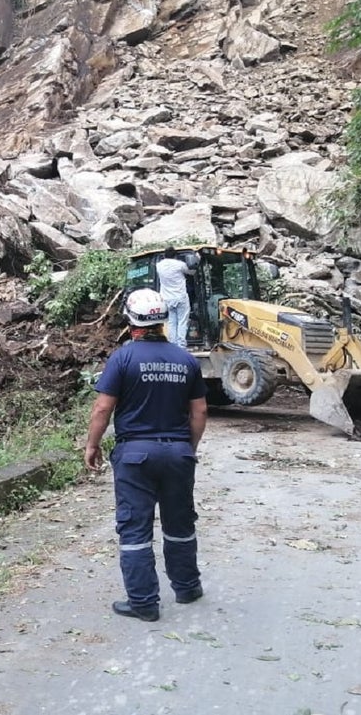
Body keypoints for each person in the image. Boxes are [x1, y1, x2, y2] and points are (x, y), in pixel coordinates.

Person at [84, 288, 208, 621]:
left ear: (132, 320)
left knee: (135, 528)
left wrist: (92, 445)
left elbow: (102, 407)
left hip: (135, 455)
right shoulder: (186, 359)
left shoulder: (123, 358)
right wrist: (187, 449)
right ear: (162, 320)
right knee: (179, 521)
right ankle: (187, 587)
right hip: (178, 451)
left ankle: (144, 602)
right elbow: (199, 412)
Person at [155, 246, 195, 348]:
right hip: (180, 297)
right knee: (182, 322)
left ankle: (172, 345)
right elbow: (191, 272)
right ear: (175, 256)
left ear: (164, 255)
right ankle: (181, 345)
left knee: (171, 322)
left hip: (167, 299)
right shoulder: (180, 265)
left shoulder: (159, 266)